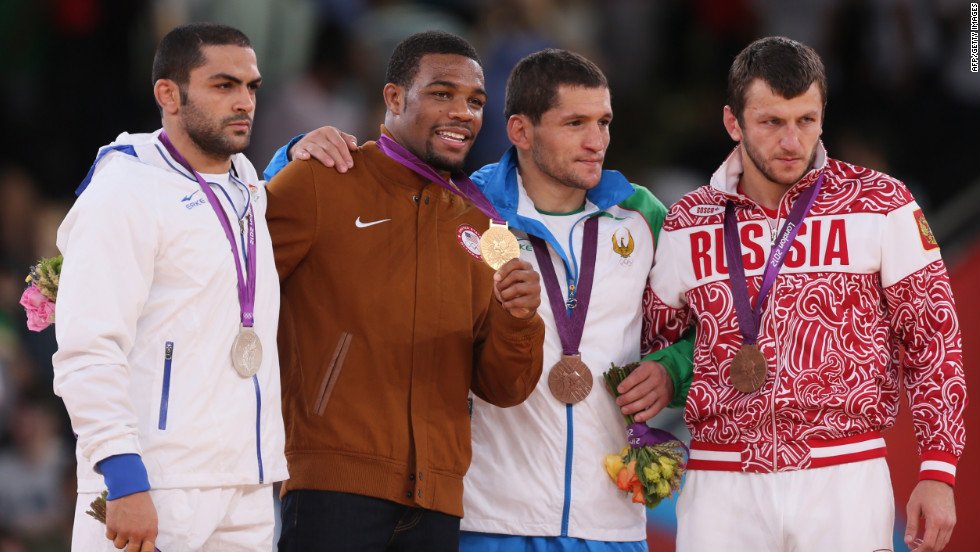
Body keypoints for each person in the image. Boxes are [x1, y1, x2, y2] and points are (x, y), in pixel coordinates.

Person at [269, 49, 696, 552]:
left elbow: (717, 319)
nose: (596, 141)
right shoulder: (474, 211)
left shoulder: (641, 216)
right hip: (485, 517)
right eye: (575, 122)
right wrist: (295, 151)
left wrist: (672, 369)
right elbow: (301, 214)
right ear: (520, 131)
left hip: (610, 521)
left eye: (604, 122)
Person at [643, 36, 966, 552]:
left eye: (807, 121)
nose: (792, 142)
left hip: (845, 475)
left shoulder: (883, 203)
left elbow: (933, 340)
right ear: (733, 122)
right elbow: (657, 347)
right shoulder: (687, 221)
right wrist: (664, 374)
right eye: (772, 122)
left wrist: (937, 469)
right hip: (720, 480)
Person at [263, 30, 546, 551]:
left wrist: (521, 319)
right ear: (394, 98)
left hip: (436, 503)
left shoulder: (489, 228)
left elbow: (504, 387)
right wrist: (282, 160)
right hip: (332, 485)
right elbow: (232, 276)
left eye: (475, 101)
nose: (463, 111)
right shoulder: (322, 180)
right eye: (442, 93)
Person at [52, 23, 287, 552]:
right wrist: (122, 474)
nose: (244, 101)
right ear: (168, 94)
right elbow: (87, 350)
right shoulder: (124, 191)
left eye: (251, 87)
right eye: (223, 85)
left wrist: (302, 146)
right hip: (155, 482)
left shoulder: (246, 182)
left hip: (247, 484)